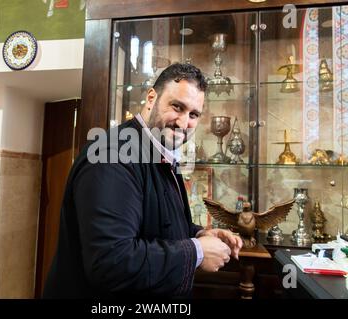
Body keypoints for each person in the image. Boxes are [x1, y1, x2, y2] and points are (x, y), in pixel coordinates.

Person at [43, 63, 242, 298]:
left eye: (194, 114)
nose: (183, 122)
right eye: (177, 107)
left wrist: (199, 234)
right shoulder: (112, 155)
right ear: (151, 98)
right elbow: (112, 262)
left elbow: (158, 223)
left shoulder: (160, 151)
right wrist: (196, 252)